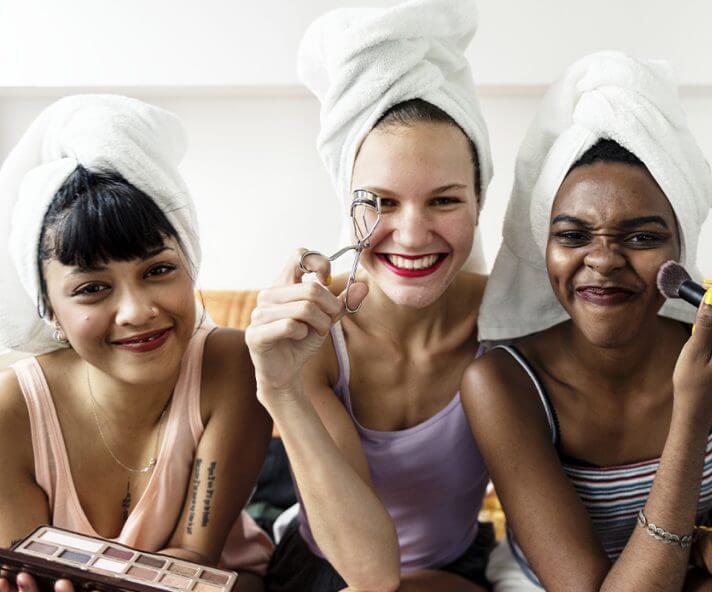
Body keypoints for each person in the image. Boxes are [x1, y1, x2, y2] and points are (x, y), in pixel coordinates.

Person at [464, 52, 712, 592]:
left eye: (642, 237)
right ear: (544, 247)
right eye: (573, 236)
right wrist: (692, 407)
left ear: (681, 248)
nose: (601, 261)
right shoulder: (502, 382)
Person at [248, 1, 495, 590]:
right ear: (348, 205)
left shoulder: (509, 323)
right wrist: (280, 390)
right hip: (325, 567)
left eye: (444, 200)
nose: (411, 235)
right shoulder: (311, 336)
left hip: (455, 568)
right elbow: (370, 574)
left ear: (479, 204)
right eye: (381, 201)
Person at [0, 95, 273, 592]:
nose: (137, 311)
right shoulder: (10, 411)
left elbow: (195, 559)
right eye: (92, 288)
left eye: (158, 270)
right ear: (50, 310)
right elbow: (29, 575)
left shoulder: (232, 365)